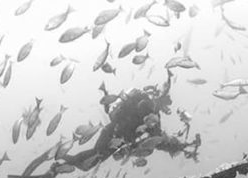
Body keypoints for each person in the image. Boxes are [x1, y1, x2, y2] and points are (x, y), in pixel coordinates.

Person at [62, 71, 200, 171]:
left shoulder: (153, 112)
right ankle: (62, 157)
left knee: (93, 158)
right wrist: (169, 141)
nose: (166, 108)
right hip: (114, 134)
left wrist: (176, 145)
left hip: (119, 139)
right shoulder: (147, 105)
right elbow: (155, 134)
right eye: (165, 104)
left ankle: (62, 160)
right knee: (94, 156)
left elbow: (155, 139)